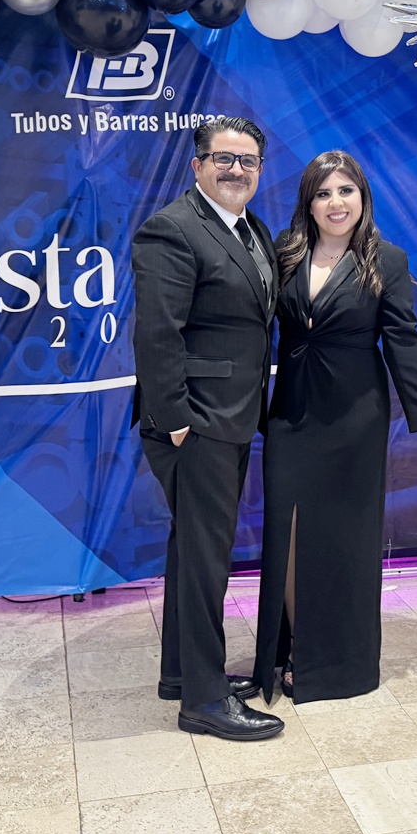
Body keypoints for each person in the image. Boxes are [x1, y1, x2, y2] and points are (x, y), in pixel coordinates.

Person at [252, 150, 417, 705]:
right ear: (308, 203)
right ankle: (296, 650)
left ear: (363, 197)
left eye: (346, 191)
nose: (335, 203)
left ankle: (336, 663)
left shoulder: (387, 259)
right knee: (289, 533)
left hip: (355, 416)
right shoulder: (285, 251)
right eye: (323, 193)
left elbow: (403, 340)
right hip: (292, 411)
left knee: (345, 539)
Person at [131, 117, 284, 741]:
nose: (236, 170)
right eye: (224, 158)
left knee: (193, 551)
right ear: (197, 165)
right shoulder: (172, 228)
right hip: (196, 421)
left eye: (248, 161)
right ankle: (204, 700)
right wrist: (175, 422)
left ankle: (181, 674)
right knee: (206, 562)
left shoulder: (253, 230)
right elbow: (157, 333)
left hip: (233, 415)